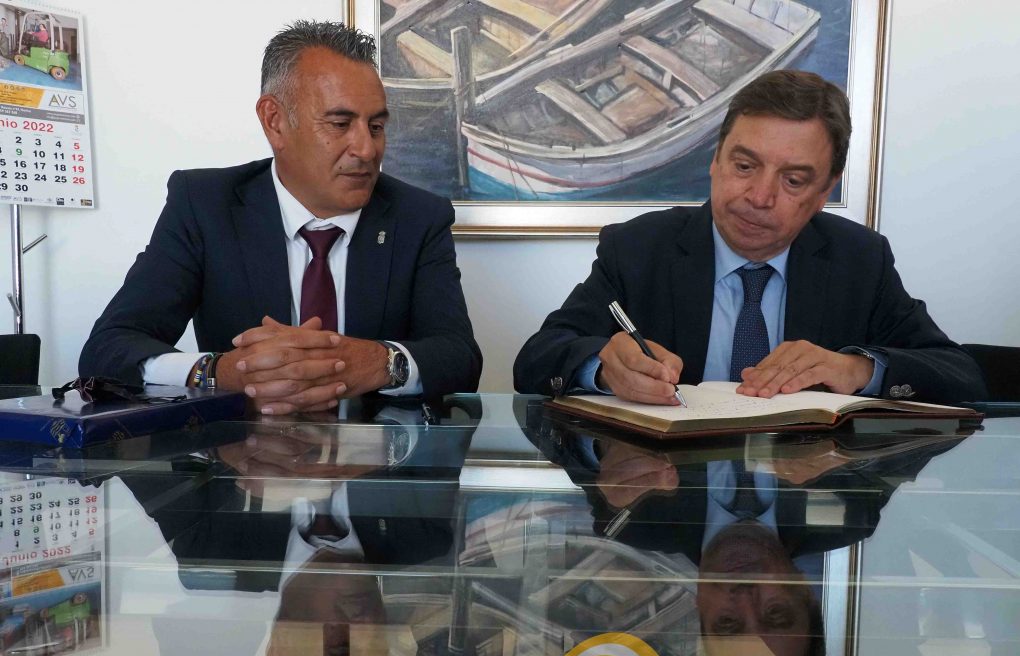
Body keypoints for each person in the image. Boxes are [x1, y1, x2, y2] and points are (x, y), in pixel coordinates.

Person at [513, 70, 986, 406]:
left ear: (824, 192)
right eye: (744, 166)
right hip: (666, 497)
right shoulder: (641, 248)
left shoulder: (859, 260)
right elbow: (536, 359)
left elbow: (962, 375)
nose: (760, 197)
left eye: (793, 180)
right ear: (715, 160)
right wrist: (601, 366)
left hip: (802, 492)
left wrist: (857, 370)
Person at [80, 21, 481, 414]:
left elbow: (460, 358)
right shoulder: (205, 204)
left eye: (376, 126)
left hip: (377, 453)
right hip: (241, 451)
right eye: (340, 124)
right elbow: (108, 349)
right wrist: (218, 372)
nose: (366, 149)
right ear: (275, 121)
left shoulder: (418, 217)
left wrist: (379, 362)